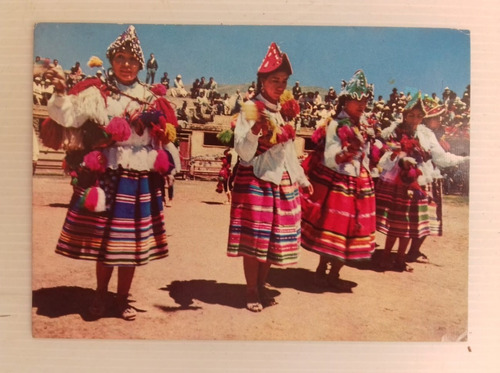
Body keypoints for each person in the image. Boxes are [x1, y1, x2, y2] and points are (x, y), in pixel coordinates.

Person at [42, 25, 178, 320]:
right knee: (106, 242)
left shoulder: (150, 97)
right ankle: (100, 296)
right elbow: (66, 115)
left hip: (140, 177)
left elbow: (164, 136)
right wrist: (61, 93)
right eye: (120, 58)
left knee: (129, 243)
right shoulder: (96, 91)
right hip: (108, 173)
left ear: (141, 65)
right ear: (111, 60)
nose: (126, 64)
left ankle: (123, 299)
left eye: (132, 59)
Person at [227, 42, 313, 312]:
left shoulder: (284, 112)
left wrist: (300, 178)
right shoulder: (251, 109)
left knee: (273, 240)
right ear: (262, 80)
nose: (279, 85)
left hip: (281, 181)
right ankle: (251, 290)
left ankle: (262, 286)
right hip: (255, 178)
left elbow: (288, 152)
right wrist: (254, 130)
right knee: (255, 241)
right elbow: (243, 151)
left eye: (284, 81)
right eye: (274, 79)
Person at [301, 70, 377, 291]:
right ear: (346, 100)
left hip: (359, 180)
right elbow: (330, 156)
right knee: (334, 227)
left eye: (365, 100)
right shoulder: (336, 123)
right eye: (357, 100)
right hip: (338, 180)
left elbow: (367, 154)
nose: (362, 105)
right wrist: (346, 154)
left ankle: (335, 273)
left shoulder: (364, 125)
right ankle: (322, 269)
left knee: (351, 230)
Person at [376, 92, 469, 271]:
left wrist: (463, 159)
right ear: (404, 115)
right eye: (411, 115)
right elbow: (386, 155)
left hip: (419, 180)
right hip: (398, 181)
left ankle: (400, 258)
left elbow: (440, 158)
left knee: (411, 222)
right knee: (397, 221)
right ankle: (386, 256)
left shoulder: (426, 134)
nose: (415, 119)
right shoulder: (394, 131)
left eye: (419, 116)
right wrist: (398, 157)